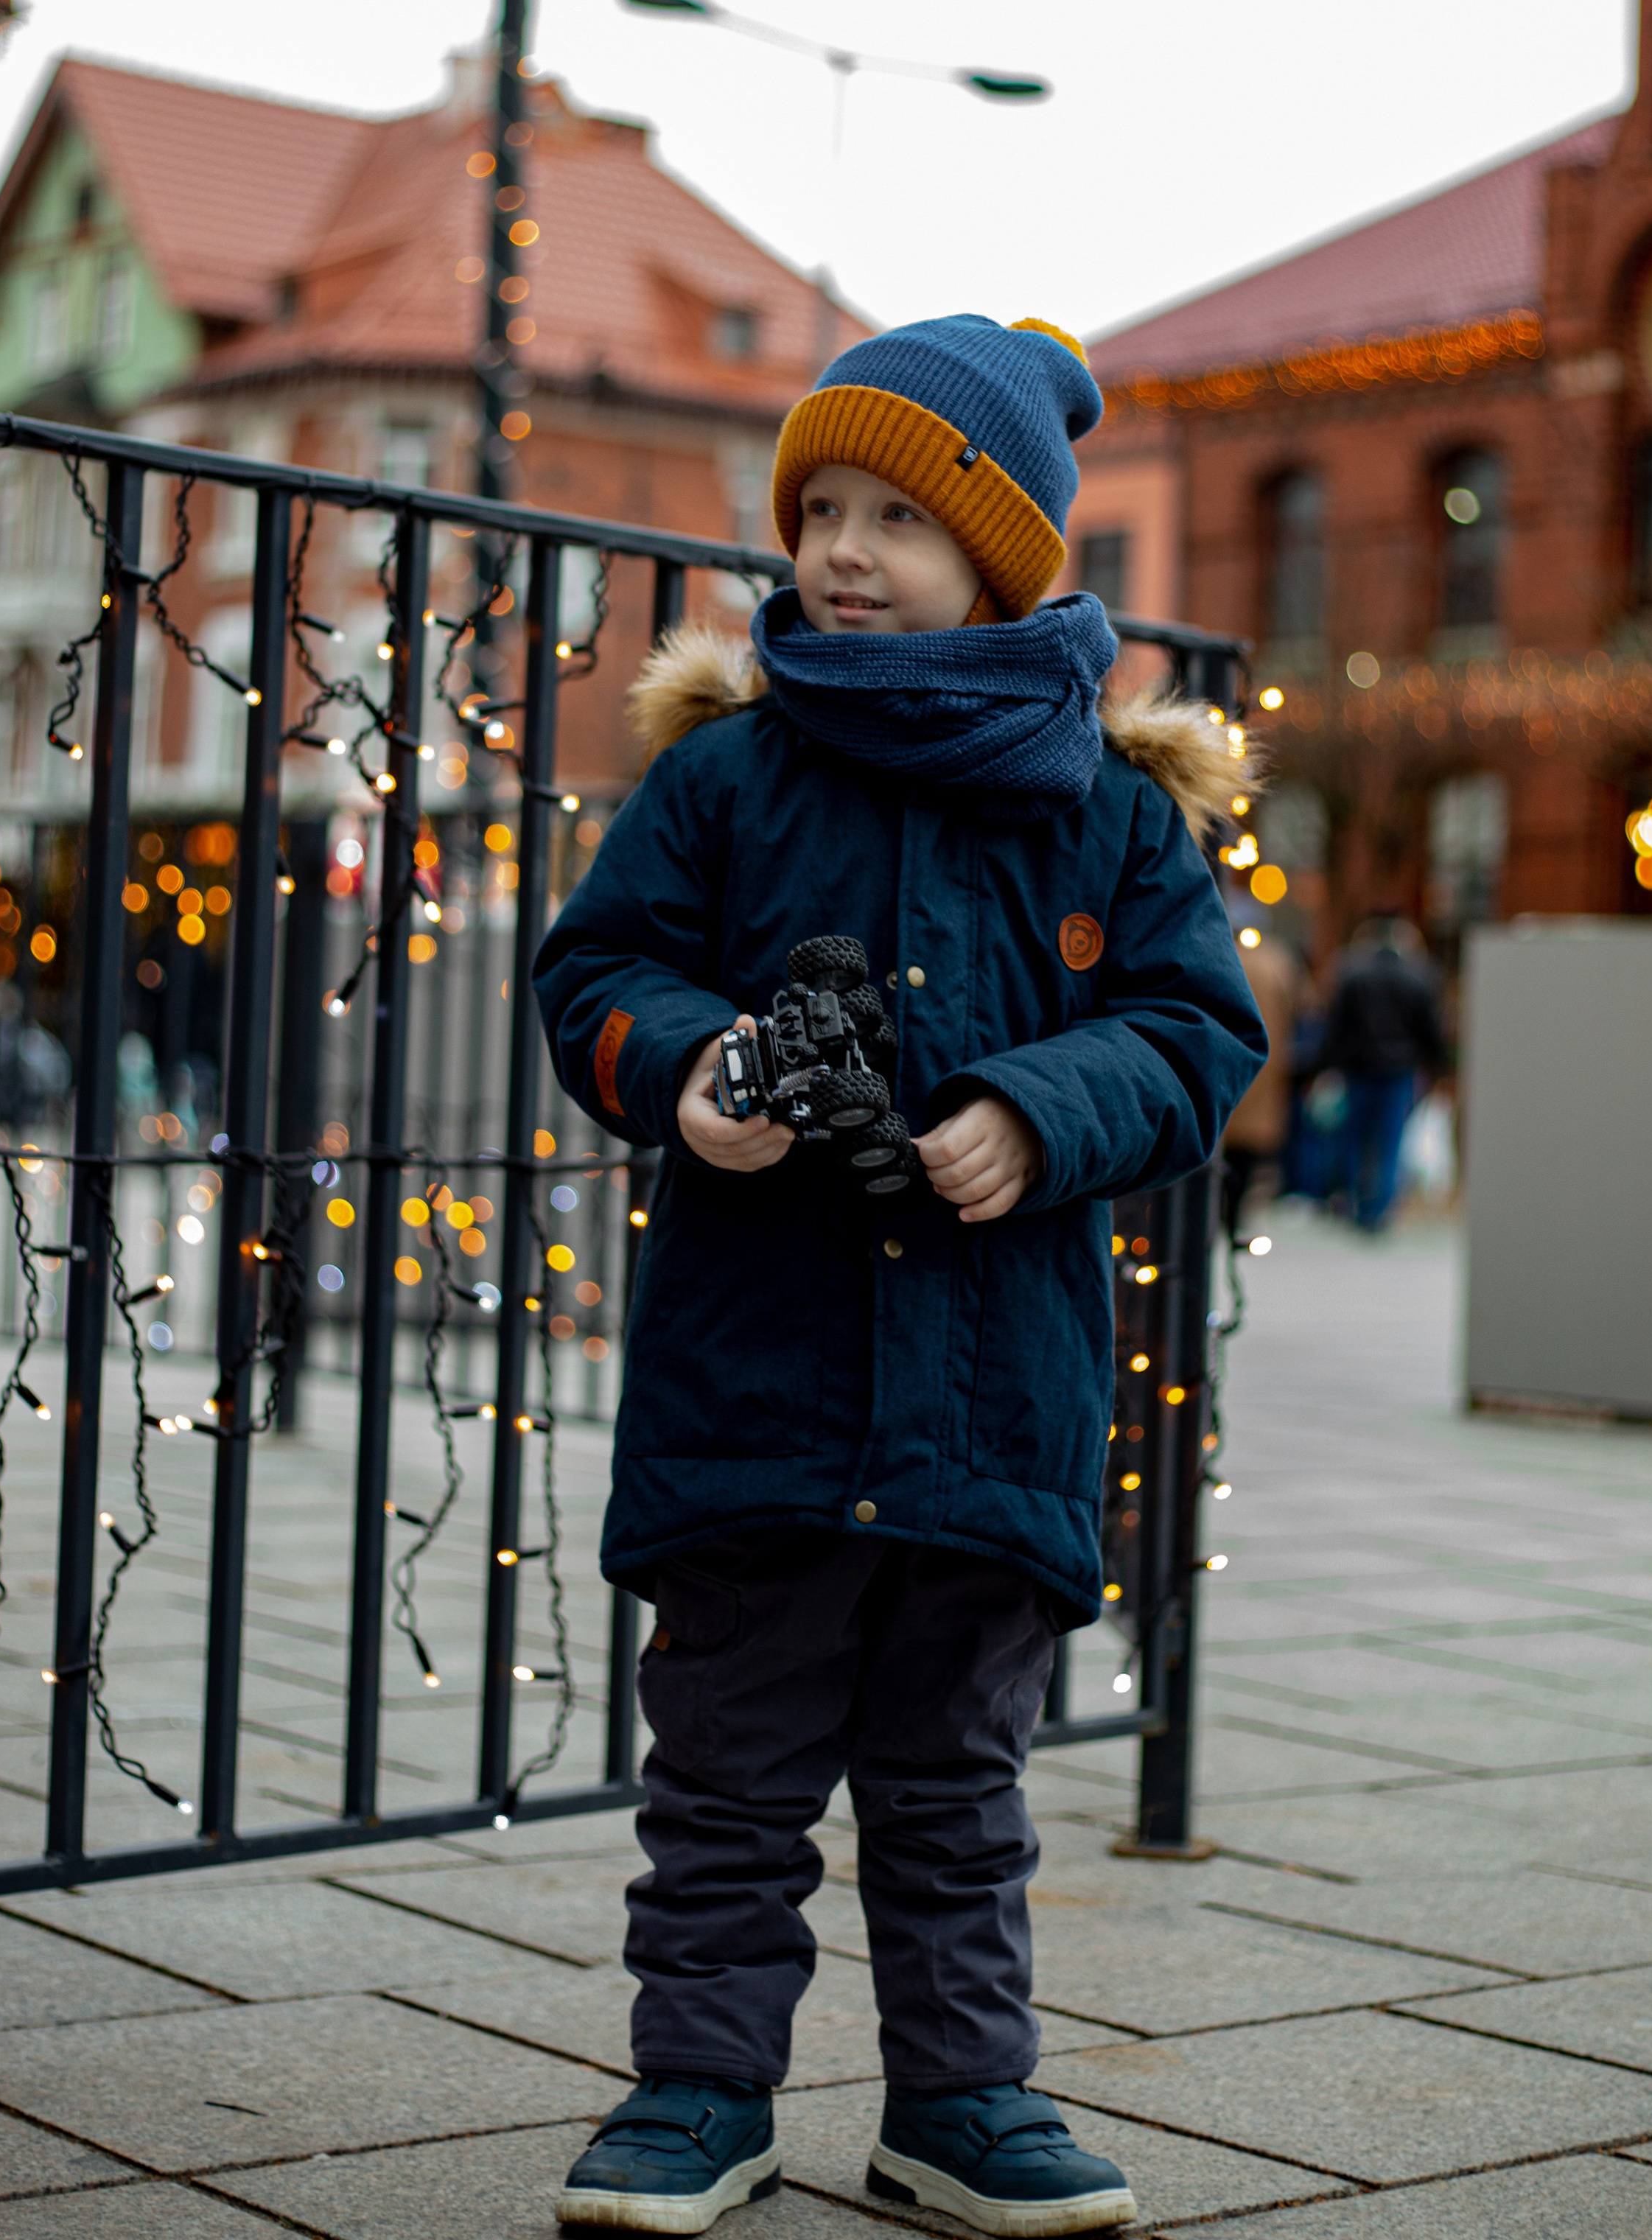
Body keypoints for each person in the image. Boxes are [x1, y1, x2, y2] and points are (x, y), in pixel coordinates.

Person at [534, 313, 1266, 2236]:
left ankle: (964, 2098)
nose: (845, 551)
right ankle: (698, 2090)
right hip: (755, 1388)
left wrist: (1040, 1109)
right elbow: (596, 973)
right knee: (727, 1786)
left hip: (990, 1397)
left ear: (1000, 556)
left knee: (955, 1788)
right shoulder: (727, 777)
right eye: (819, 512)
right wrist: (689, 1069)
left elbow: (1198, 1032)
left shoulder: (1110, 810)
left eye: (898, 518)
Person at [1321, 917, 1446, 1233]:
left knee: (1354, 1139)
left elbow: (1339, 1025)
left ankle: (1354, 1202)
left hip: (1360, 1068)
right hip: (1399, 1070)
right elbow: (1429, 1029)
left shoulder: (1355, 976)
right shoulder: (1416, 978)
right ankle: (1379, 1209)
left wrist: (1328, 1064)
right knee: (1391, 1142)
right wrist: (1438, 1066)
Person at [1218, 916, 1298, 1242]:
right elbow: (1300, 1006)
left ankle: (1219, 1212)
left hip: (1222, 1063)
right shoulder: (1276, 962)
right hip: (1265, 1064)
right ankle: (1234, 1215)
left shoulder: (1219, 954)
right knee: (1247, 1150)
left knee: (1222, 1143)